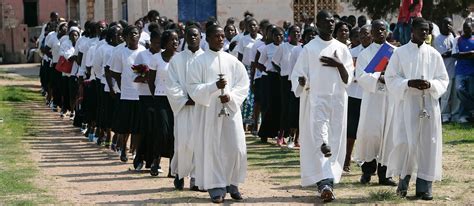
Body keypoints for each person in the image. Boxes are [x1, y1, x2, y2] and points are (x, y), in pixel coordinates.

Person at [291, 10, 354, 202]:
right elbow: (297, 77)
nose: (331, 24)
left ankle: (327, 182)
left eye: (333, 21)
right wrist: (301, 81)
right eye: (326, 21)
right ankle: (325, 183)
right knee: (322, 142)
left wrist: (339, 65)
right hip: (316, 101)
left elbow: (348, 79)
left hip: (337, 101)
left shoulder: (342, 48)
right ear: (317, 24)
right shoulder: (309, 48)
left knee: (334, 142)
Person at [385, 17, 449, 200]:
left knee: (428, 144)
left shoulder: (434, 54)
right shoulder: (400, 53)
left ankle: (424, 187)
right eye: (421, 30)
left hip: (428, 104)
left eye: (427, 31)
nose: (425, 33)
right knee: (406, 142)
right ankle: (403, 184)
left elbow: (443, 79)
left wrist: (431, 84)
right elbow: (390, 78)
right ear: (412, 31)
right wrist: (408, 83)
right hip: (408, 104)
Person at [186, 25, 249, 203]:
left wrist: (231, 97)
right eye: (216, 36)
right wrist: (213, 87)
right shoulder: (199, 62)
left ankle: (233, 183)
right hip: (208, 111)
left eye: (222, 36)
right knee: (213, 147)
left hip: (230, 109)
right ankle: (216, 186)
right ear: (208, 38)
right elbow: (192, 87)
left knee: (235, 147)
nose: (221, 39)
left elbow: (243, 84)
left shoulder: (232, 61)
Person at [353, 20, 397, 186]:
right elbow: (361, 77)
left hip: (390, 99)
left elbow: (399, 73)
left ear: (386, 31)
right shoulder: (365, 54)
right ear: (371, 32)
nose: (380, 32)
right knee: (370, 135)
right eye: (376, 30)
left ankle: (385, 175)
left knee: (389, 135)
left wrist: (389, 79)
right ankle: (367, 171)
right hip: (372, 99)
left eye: (382, 29)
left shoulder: (394, 52)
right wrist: (379, 76)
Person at [166, 25, 205, 191]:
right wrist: (184, 99)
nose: (193, 38)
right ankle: (179, 174)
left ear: (201, 37)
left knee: (199, 143)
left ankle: (196, 178)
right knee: (182, 143)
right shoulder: (177, 60)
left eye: (196, 35)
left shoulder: (206, 59)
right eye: (190, 36)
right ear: (185, 38)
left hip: (201, 108)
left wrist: (200, 97)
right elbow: (172, 84)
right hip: (183, 108)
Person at [107, 25, 146, 162]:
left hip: (141, 94)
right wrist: (123, 84)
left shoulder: (143, 52)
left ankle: (134, 151)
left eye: (136, 34)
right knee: (125, 126)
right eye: (131, 34)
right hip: (126, 94)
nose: (134, 36)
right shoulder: (120, 52)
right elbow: (115, 72)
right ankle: (123, 148)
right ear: (125, 37)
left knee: (138, 126)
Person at [144, 30, 179, 177]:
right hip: (160, 99)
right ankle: (156, 161)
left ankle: (173, 167)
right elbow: (151, 81)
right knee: (162, 132)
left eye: (177, 39)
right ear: (165, 42)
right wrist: (155, 95)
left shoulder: (179, 58)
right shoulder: (156, 58)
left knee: (174, 133)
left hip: (176, 99)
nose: (176, 42)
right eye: (172, 40)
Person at [344, 24, 372, 173]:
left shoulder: (381, 52)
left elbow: (375, 73)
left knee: (369, 130)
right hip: (354, 94)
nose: (363, 37)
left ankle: (367, 160)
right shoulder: (351, 52)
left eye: (366, 34)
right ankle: (347, 158)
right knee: (351, 130)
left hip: (372, 95)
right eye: (360, 35)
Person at [272, 25, 301, 148]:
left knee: (295, 109)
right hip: (285, 79)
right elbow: (274, 62)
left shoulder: (301, 48)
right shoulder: (283, 47)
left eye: (298, 32)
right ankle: (281, 135)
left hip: (298, 81)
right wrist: (281, 72)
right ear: (289, 34)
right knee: (285, 108)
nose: (296, 34)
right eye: (294, 32)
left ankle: (294, 137)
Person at [433, 17, 459, 123]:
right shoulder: (437, 38)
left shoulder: (454, 37)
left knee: (455, 95)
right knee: (445, 95)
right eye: (446, 24)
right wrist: (453, 52)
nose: (448, 26)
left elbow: (458, 48)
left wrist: (453, 32)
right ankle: (444, 114)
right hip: (445, 71)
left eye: (450, 24)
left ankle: (454, 114)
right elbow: (443, 54)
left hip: (455, 70)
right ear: (441, 25)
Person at [452, 19, 474, 123]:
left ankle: (465, 116)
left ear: (472, 29)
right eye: (465, 28)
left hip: (472, 71)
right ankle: (472, 109)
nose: (466, 30)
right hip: (460, 71)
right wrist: (470, 53)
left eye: (468, 28)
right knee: (459, 90)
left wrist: (463, 55)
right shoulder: (457, 39)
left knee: (470, 94)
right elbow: (454, 54)